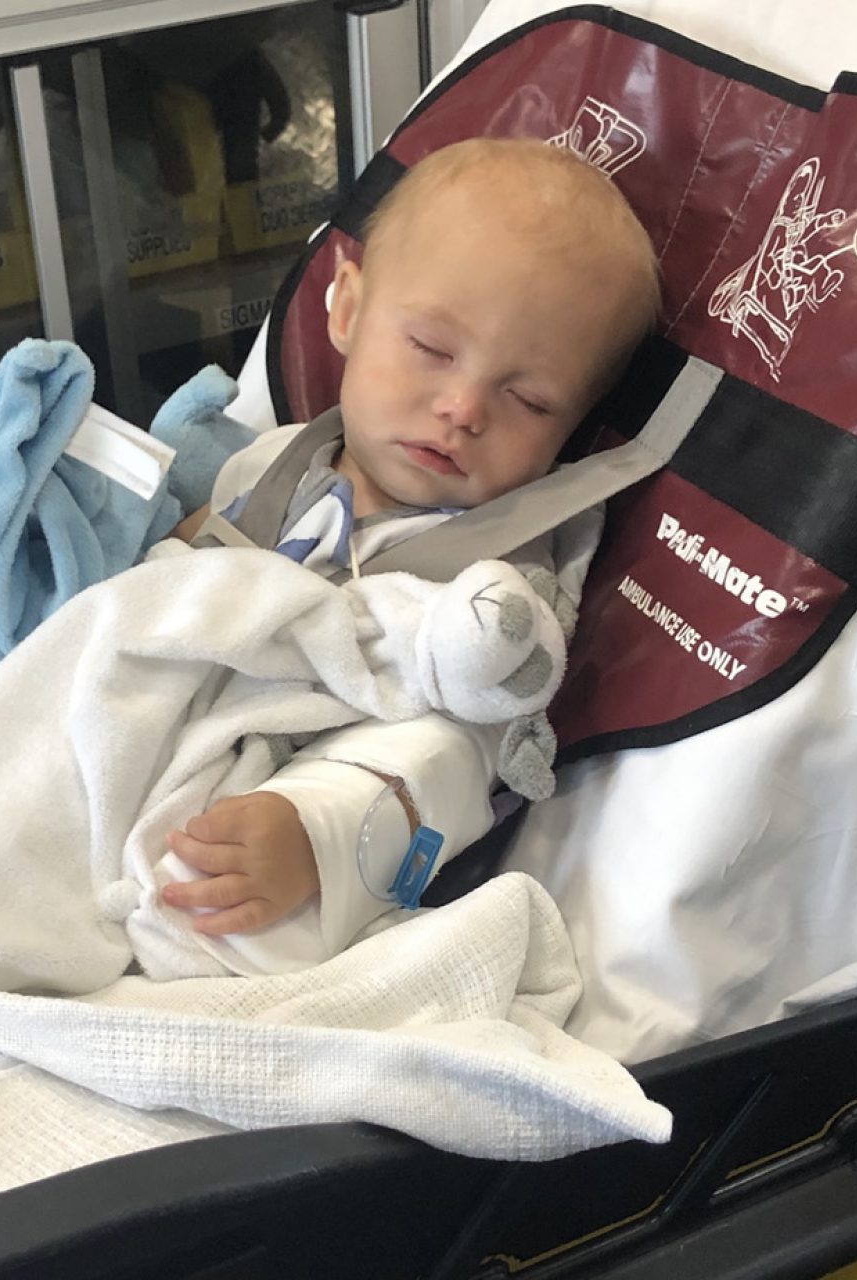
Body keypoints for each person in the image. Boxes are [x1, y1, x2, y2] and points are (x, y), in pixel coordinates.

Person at [156, 137, 661, 958]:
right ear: (348, 310)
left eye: (528, 400)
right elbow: (174, 575)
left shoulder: (496, 594)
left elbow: (455, 756)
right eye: (431, 349)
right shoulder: (276, 460)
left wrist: (315, 827)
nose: (462, 407)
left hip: (260, 828)